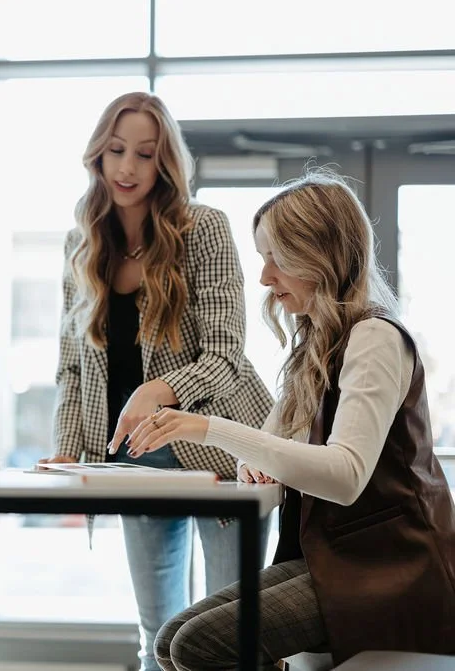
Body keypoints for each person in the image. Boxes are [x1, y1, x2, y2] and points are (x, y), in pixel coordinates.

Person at [129, 171, 455, 669]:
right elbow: (268, 448)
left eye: (275, 258)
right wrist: (252, 462)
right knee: (170, 640)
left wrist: (207, 427)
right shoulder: (315, 343)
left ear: (318, 254)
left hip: (394, 568)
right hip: (342, 558)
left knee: (197, 645)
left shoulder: (374, 338)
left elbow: (343, 476)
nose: (264, 278)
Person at [40, 91, 274, 671]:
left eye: (144, 154)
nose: (127, 167)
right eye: (116, 150)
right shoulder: (82, 243)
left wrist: (160, 390)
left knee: (228, 634)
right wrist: (69, 448)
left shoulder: (205, 229)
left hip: (221, 452)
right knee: (156, 636)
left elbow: (227, 354)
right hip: (133, 460)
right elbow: (72, 367)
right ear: (98, 154)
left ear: (164, 161)